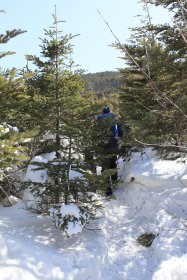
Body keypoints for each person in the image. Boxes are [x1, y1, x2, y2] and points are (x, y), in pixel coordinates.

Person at [96, 105, 123, 196]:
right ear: (109, 111)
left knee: (105, 168)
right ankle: (114, 181)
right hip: (114, 146)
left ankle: (108, 190)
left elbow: (94, 134)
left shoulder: (98, 121)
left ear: (102, 112)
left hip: (103, 147)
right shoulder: (114, 120)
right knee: (113, 163)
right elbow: (120, 133)